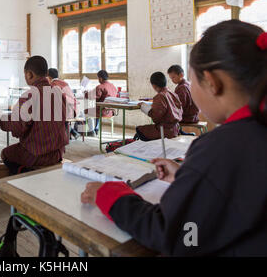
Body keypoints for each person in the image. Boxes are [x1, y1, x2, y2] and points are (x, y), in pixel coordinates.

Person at [81, 20, 267, 256]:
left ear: (211, 82)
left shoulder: (219, 147)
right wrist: (189, 176)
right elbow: (244, 189)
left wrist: (108, 193)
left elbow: (173, 233)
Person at [0, 56, 69, 175]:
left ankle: (25, 176)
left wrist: (0, 121)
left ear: (29, 74)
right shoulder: (59, 93)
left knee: (6, 154)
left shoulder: (29, 96)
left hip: (37, 154)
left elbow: (18, 127)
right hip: (57, 153)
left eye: (25, 74)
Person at [135, 72, 183, 141]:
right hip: (176, 128)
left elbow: (156, 117)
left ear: (154, 85)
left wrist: (143, 106)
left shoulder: (160, 96)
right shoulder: (173, 94)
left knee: (139, 129)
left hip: (165, 131)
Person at [47, 68, 79, 139]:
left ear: (48, 77)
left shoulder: (53, 85)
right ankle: (72, 132)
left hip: (65, 112)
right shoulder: (64, 83)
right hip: (74, 110)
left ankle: (59, 136)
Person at [168, 64, 200, 135]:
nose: (172, 80)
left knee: (165, 118)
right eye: (171, 78)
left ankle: (174, 134)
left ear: (181, 75)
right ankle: (180, 132)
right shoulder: (188, 84)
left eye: (173, 77)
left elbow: (180, 106)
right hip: (194, 116)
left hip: (187, 117)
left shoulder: (181, 88)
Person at [84, 70, 118, 135]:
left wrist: (86, 93)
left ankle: (90, 131)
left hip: (102, 112)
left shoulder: (100, 87)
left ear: (100, 78)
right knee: (97, 109)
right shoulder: (113, 86)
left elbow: (92, 96)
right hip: (111, 112)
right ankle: (96, 129)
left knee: (85, 111)